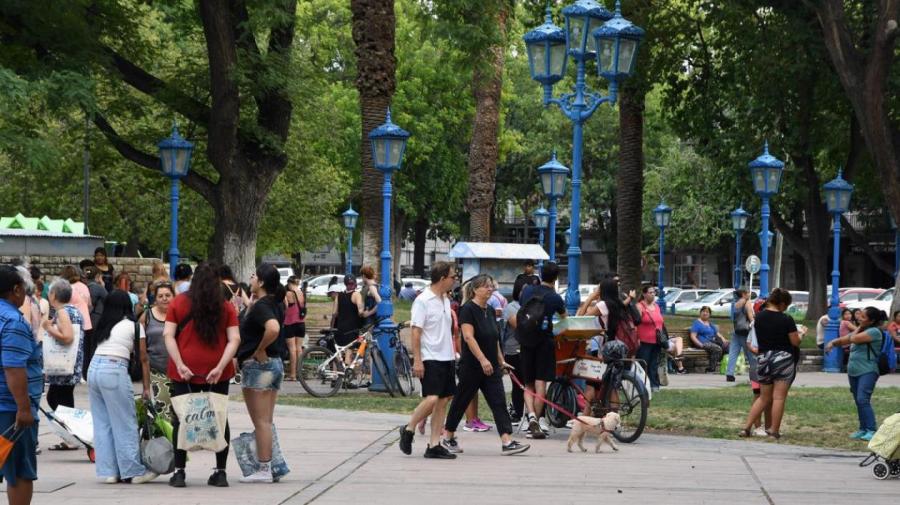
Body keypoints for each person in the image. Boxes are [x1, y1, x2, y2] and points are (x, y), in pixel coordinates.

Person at [163, 263, 240, 488]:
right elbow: (234, 339)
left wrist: (180, 364)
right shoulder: (226, 307)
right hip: (218, 371)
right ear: (218, 282)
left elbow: (169, 335)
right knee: (219, 418)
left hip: (184, 370)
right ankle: (221, 471)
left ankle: (179, 473)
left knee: (181, 418)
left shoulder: (178, 303)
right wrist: (220, 366)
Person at [442, 274, 530, 456]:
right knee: (461, 401)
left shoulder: (490, 310)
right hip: (472, 366)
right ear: (475, 289)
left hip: (491, 367)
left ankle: (507, 441)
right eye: (485, 286)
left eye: (491, 286)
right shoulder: (467, 309)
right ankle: (448, 436)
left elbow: (494, 338)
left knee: (499, 402)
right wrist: (482, 359)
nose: (490, 289)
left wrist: (500, 360)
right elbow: (468, 337)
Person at [88, 290, 157, 484]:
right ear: (128, 305)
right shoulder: (134, 326)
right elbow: (144, 359)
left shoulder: (104, 325)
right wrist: (146, 387)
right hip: (114, 369)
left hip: (94, 370)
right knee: (125, 422)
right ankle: (133, 471)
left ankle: (109, 472)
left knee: (103, 423)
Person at [398, 262, 459, 458]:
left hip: (447, 356)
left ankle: (434, 445)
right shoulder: (423, 300)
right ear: (442, 278)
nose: (455, 280)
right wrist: (417, 360)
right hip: (430, 356)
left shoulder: (446, 300)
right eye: (453, 277)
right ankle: (409, 428)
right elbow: (416, 332)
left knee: (443, 401)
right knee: (432, 398)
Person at [237, 264, 286, 483]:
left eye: (255, 275)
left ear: (263, 282)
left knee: (261, 421)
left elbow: (273, 328)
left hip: (260, 367)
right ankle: (270, 464)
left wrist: (258, 350)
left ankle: (264, 468)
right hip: (274, 365)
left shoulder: (263, 306)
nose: (251, 277)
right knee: (266, 420)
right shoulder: (273, 303)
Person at [0, 266, 42, 505]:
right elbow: (14, 367)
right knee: (19, 471)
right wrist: (24, 408)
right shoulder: (13, 321)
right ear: (15, 290)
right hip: (9, 408)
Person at [740, 288, 804, 439]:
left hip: (763, 358)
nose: (786, 309)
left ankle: (746, 428)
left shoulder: (759, 318)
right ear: (782, 304)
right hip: (783, 358)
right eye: (786, 305)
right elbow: (795, 341)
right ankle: (773, 431)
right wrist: (801, 334)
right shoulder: (786, 319)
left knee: (763, 397)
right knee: (778, 397)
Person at [519, 262, 567, 439]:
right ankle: (537, 422)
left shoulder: (528, 291)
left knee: (528, 383)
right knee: (541, 384)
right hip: (545, 343)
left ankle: (530, 415)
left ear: (540, 274)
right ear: (556, 278)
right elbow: (564, 320)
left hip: (526, 341)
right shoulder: (555, 298)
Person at [826, 307, 887, 441]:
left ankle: (871, 429)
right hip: (854, 371)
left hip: (868, 370)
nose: (859, 318)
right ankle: (863, 428)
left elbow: (853, 339)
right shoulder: (863, 329)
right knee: (858, 401)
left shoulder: (874, 332)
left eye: (863, 317)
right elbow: (845, 340)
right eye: (859, 315)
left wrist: (858, 327)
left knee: (862, 399)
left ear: (871, 321)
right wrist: (832, 343)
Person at [577, 278, 637, 405]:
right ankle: (614, 419)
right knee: (612, 385)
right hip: (620, 347)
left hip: (606, 350)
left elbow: (580, 318)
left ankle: (585, 417)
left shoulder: (603, 305)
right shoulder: (619, 304)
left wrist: (591, 297)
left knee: (591, 384)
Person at [43, 278, 86, 450]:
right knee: (60, 398)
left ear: (53, 295)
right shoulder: (75, 311)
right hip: (71, 365)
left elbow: (68, 337)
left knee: (58, 399)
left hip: (64, 366)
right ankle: (71, 436)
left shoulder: (62, 312)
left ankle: (71, 437)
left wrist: (48, 328)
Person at [139, 281, 175, 421]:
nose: (164, 298)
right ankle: (165, 442)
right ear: (155, 298)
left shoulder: (178, 315)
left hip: (178, 371)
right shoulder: (147, 316)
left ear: (173, 296)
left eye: (168, 295)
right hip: (156, 370)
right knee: (163, 413)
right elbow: (140, 343)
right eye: (161, 296)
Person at [331, 275, 376, 363]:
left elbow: (334, 313)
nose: (351, 285)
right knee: (349, 351)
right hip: (351, 329)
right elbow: (360, 312)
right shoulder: (356, 294)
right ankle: (347, 374)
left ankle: (337, 373)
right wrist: (368, 311)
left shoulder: (338, 296)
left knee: (339, 352)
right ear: (355, 284)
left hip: (340, 328)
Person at [635, 285, 664, 392]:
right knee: (644, 363)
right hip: (644, 340)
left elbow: (661, 322)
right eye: (650, 292)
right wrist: (636, 338)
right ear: (644, 294)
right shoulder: (639, 306)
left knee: (654, 364)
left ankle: (654, 385)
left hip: (656, 340)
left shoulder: (656, 306)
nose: (653, 294)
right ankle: (642, 385)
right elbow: (635, 324)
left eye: (654, 292)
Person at [502, 291, 524, 425]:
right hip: (513, 350)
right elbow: (520, 326)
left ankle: (532, 415)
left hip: (529, 349)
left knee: (530, 384)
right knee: (518, 384)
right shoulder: (511, 307)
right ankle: (517, 411)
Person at [726, 289, 756, 382]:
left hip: (736, 331)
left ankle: (729, 374)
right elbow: (750, 316)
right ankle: (754, 374)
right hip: (746, 332)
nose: (750, 294)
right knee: (750, 353)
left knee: (733, 353)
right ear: (743, 294)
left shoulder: (735, 304)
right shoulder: (747, 302)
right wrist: (753, 324)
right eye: (748, 292)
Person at [690, 307, 728, 373]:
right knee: (717, 348)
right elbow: (693, 336)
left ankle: (726, 367)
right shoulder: (697, 323)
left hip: (713, 342)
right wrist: (700, 345)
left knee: (728, 346)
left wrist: (724, 340)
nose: (705, 313)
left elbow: (718, 334)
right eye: (703, 311)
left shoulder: (710, 324)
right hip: (703, 343)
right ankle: (711, 369)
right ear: (700, 313)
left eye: (707, 312)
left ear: (709, 314)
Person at [283, 276, 305, 381]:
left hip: (289, 323)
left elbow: (286, 307)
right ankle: (299, 373)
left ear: (289, 283)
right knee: (299, 349)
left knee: (292, 349)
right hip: (301, 323)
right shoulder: (302, 293)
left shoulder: (287, 294)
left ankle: (293, 375)